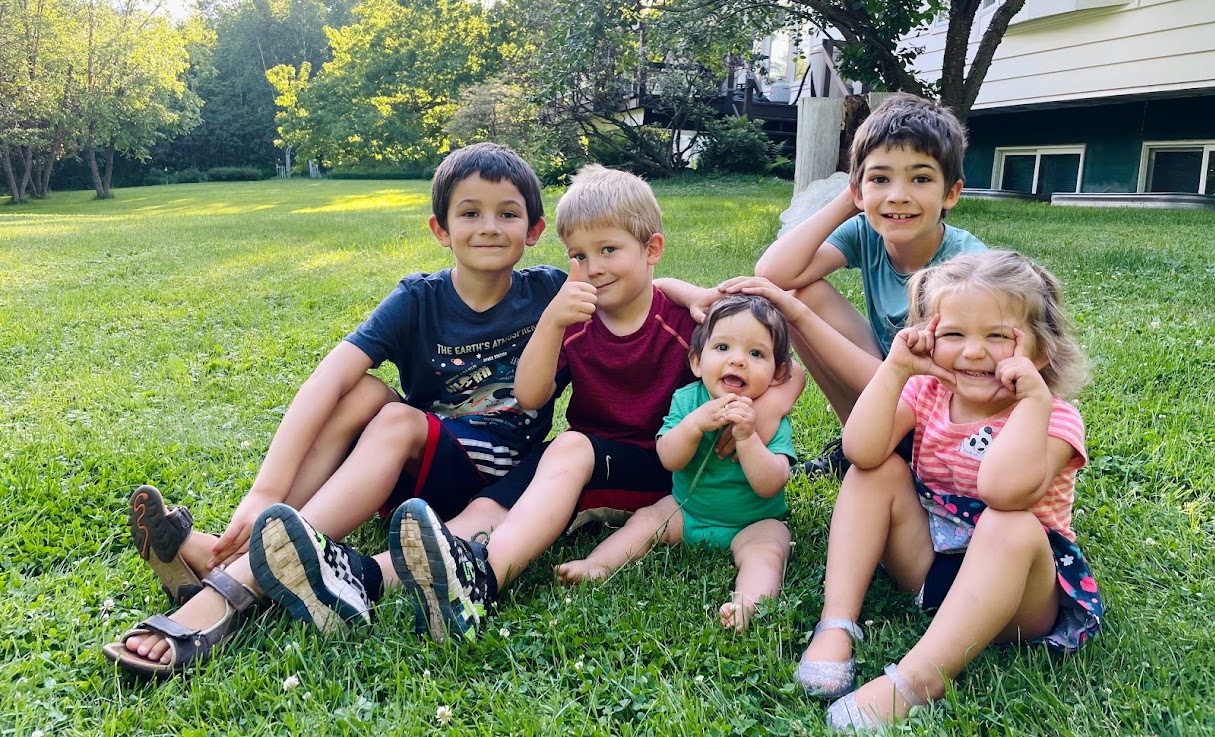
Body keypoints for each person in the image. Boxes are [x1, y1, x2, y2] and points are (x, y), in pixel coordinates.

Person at [247, 165, 803, 644]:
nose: (595, 267)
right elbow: (533, 394)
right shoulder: (576, 321)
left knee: (568, 448)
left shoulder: (691, 324)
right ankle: (361, 579)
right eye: (580, 255)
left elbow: (784, 367)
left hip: (654, 465)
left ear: (652, 249)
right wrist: (554, 322)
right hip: (576, 458)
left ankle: (483, 582)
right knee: (488, 508)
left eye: (609, 250)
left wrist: (764, 415)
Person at [103, 142, 565, 677]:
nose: (489, 226)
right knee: (366, 392)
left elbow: (632, 295)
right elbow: (328, 378)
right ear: (440, 229)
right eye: (470, 212)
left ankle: (227, 586)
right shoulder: (419, 299)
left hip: (493, 479)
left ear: (534, 229)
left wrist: (686, 296)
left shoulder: (550, 293)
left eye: (507, 214)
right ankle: (253, 538)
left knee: (393, 416)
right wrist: (264, 493)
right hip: (421, 470)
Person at [793, 250, 1102, 732]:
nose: (973, 352)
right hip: (932, 566)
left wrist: (1033, 401)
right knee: (873, 473)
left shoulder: (1054, 417)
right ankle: (836, 624)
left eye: (998, 336)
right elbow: (860, 449)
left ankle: (916, 682)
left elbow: (1002, 491)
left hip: (1018, 599)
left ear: (1041, 352)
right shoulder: (927, 395)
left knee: (1011, 523)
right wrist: (895, 371)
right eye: (953, 334)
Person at [750, 94, 986, 477]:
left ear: (951, 193)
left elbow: (925, 379)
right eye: (880, 178)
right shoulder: (866, 231)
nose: (898, 196)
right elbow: (773, 273)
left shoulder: (964, 266)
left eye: (921, 178)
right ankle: (858, 437)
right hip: (893, 383)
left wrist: (802, 317)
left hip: (945, 410)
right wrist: (852, 199)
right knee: (800, 293)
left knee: (798, 307)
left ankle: (895, 446)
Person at [554, 293, 797, 633]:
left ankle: (745, 604)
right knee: (647, 519)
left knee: (770, 549)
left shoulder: (770, 418)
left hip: (753, 522)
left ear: (777, 373)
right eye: (723, 348)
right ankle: (598, 564)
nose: (738, 361)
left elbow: (771, 482)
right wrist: (693, 425)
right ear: (697, 361)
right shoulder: (687, 400)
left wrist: (748, 439)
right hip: (688, 511)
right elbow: (669, 458)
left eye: (756, 354)